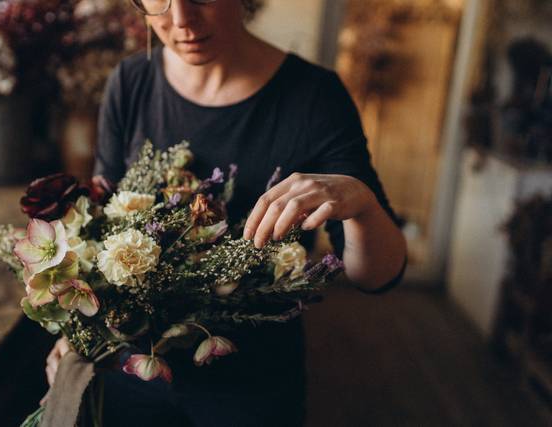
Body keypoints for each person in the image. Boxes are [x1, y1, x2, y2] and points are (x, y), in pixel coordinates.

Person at [45, 0, 408, 425]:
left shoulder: (315, 98)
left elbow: (378, 276)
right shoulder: (131, 82)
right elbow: (100, 233)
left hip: (252, 385)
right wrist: (79, 336)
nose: (180, 20)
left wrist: (360, 202)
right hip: (130, 373)